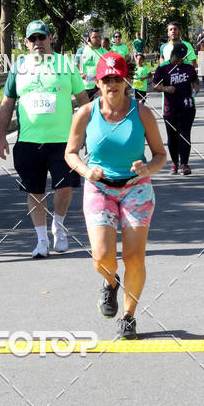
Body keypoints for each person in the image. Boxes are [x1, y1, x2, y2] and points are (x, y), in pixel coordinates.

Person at [65, 53, 166, 339]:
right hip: (99, 187)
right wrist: (87, 171)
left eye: (117, 79)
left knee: (134, 257)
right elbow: (70, 153)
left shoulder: (142, 113)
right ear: (97, 82)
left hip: (136, 187)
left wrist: (147, 168)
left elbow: (160, 155)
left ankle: (128, 317)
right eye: (106, 79)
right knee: (102, 256)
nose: (112, 84)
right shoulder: (86, 113)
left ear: (126, 81)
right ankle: (110, 282)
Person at [0, 20, 89, 257]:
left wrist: (86, 132)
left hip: (63, 141)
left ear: (50, 38)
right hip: (29, 141)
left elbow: (83, 100)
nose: (37, 42)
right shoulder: (18, 67)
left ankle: (58, 227)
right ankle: (41, 240)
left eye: (41, 37)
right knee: (35, 192)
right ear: (27, 43)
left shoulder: (66, 64)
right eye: (33, 39)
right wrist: (1, 136)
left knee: (65, 188)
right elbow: (7, 103)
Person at [153, 42, 199, 175]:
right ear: (173, 54)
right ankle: (175, 163)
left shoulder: (188, 67)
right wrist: (165, 88)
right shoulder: (163, 67)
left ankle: (185, 163)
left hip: (187, 106)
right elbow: (155, 85)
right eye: (178, 57)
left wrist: (196, 87)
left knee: (185, 134)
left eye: (182, 57)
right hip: (170, 107)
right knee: (172, 136)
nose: (180, 60)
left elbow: (195, 80)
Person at [79, 29, 107, 101]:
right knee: (86, 106)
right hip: (86, 86)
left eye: (99, 37)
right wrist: (81, 73)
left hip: (100, 86)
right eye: (94, 37)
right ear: (89, 38)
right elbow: (77, 65)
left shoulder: (105, 52)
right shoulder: (82, 50)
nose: (97, 39)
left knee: (100, 106)